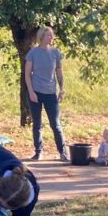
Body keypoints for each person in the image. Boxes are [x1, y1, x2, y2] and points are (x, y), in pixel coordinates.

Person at [24, 26, 68, 161]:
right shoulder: (33, 53)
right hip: (36, 92)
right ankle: (38, 151)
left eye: (52, 35)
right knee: (37, 124)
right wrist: (31, 92)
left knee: (55, 124)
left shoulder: (55, 53)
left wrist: (61, 89)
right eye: (49, 35)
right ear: (41, 37)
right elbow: (27, 74)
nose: (51, 38)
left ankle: (63, 152)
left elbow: (59, 73)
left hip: (50, 93)